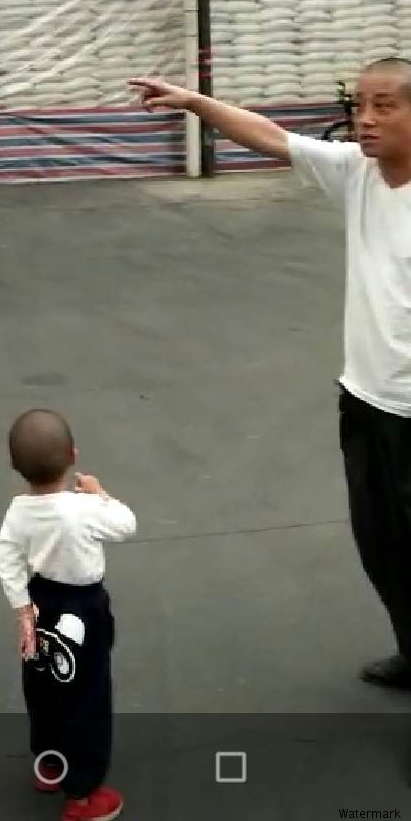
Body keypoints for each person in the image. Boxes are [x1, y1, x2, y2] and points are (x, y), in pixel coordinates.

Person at [129, 58, 411, 690]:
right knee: (382, 546)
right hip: (366, 404)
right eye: (360, 104)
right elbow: (272, 138)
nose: (365, 119)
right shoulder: (357, 172)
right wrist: (194, 102)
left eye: (385, 105)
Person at [0, 408, 136, 820]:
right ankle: (83, 795)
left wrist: (23, 609)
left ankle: (50, 764)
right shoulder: (84, 508)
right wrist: (100, 493)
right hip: (83, 609)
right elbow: (126, 524)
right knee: (87, 697)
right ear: (73, 455)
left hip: (41, 603)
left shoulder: (18, 512)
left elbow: (8, 562)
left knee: (43, 687)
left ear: (14, 464)